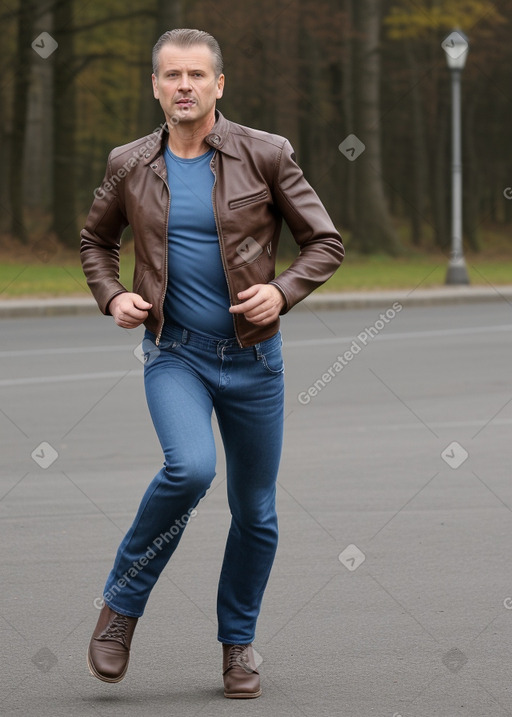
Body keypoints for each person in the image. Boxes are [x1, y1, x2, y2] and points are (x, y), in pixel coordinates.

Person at [80, 28, 344, 699]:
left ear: (219, 84)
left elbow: (325, 241)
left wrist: (281, 290)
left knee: (255, 510)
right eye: (172, 76)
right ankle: (120, 608)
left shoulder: (266, 154)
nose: (185, 86)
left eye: (198, 75)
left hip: (256, 362)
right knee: (190, 466)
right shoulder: (130, 162)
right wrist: (112, 295)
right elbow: (94, 239)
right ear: (156, 86)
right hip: (176, 354)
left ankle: (238, 644)